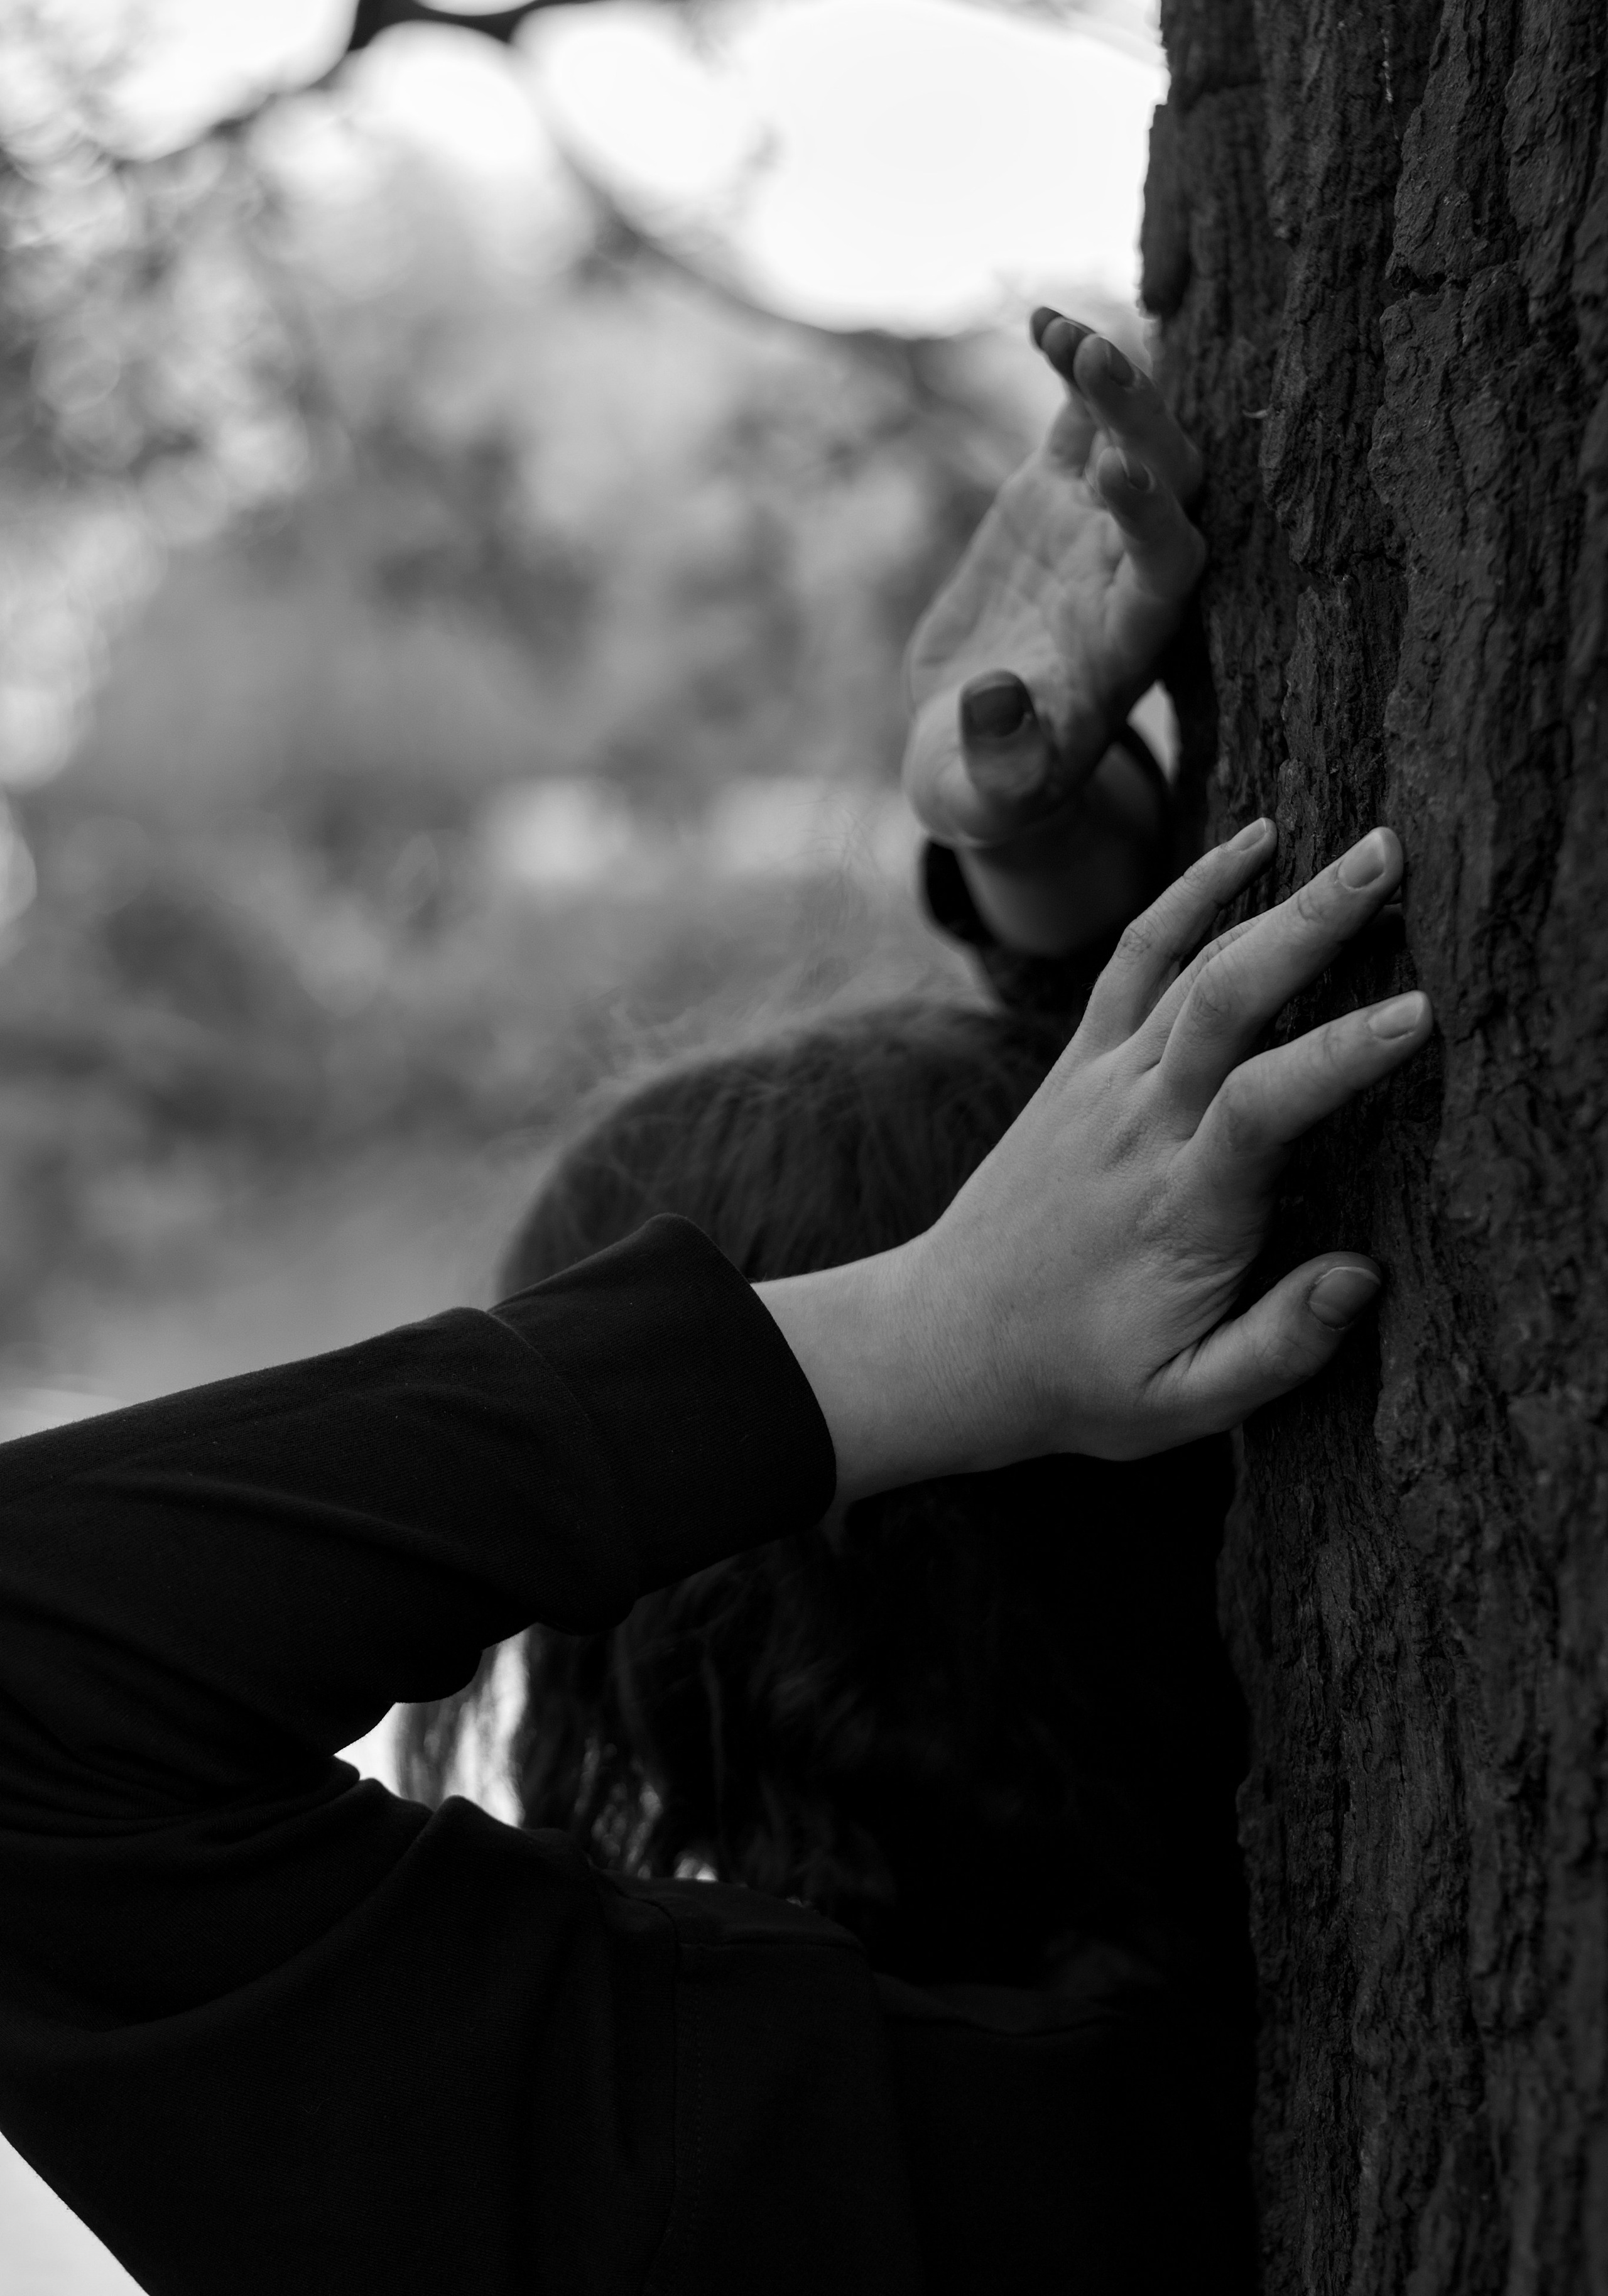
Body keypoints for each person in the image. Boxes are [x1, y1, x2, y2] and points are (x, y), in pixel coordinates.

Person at [0, 312, 1432, 2296]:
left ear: (670, 1640)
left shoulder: (693, 2188)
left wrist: (916, 1343)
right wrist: (1065, 919)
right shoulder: (1264, 2053)